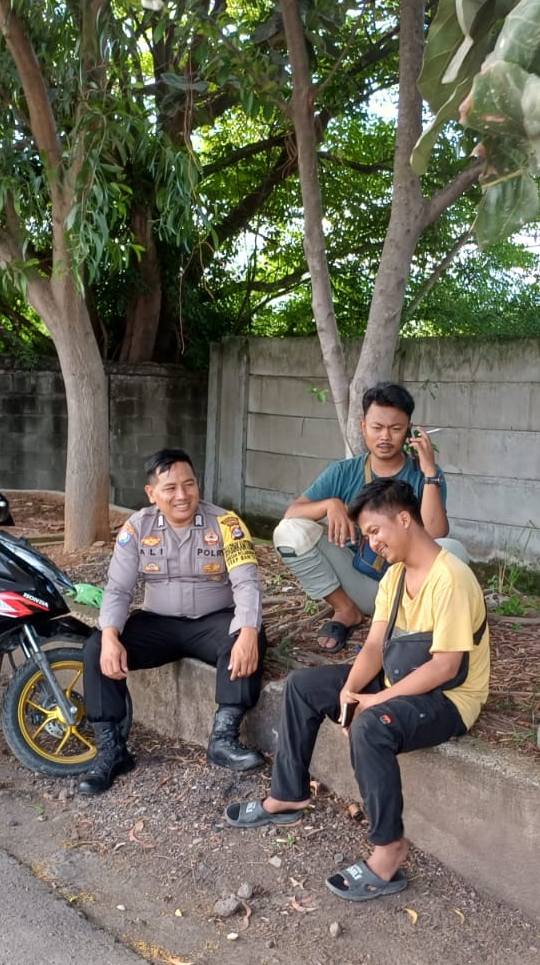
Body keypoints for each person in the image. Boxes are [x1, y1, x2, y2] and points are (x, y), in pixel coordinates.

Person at [226, 478, 489, 900]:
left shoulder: (451, 578)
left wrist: (375, 701)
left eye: (375, 531)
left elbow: (446, 666)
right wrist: (349, 692)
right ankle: (287, 796)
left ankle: (389, 849)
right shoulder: (396, 576)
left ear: (404, 519)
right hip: (402, 676)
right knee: (303, 686)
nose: (372, 543)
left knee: (371, 726)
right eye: (367, 535)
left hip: (448, 699)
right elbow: (374, 646)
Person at [79, 448, 266, 796]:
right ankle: (111, 750)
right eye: (170, 488)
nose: (182, 495)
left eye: (189, 484)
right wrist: (110, 635)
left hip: (213, 622)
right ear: (152, 493)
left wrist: (248, 631)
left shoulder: (227, 524)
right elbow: (118, 589)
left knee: (246, 635)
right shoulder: (137, 528)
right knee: (95, 647)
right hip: (158, 623)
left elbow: (246, 584)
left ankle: (223, 738)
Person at [272, 383, 468, 652]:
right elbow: (292, 513)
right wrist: (330, 504)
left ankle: (410, 624)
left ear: (409, 430)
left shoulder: (424, 473)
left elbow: (436, 535)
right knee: (289, 532)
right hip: (358, 581)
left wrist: (430, 472)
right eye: (377, 427)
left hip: (407, 587)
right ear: (363, 427)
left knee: (453, 550)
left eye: (395, 428)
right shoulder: (343, 472)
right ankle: (345, 610)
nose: (385, 436)